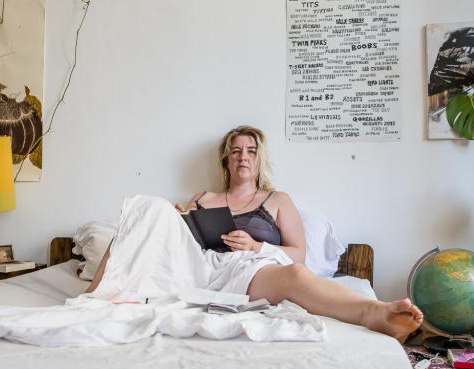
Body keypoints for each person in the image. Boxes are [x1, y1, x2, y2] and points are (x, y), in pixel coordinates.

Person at [87, 125, 423, 340]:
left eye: (250, 150)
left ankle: (374, 312)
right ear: (226, 161)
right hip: (198, 268)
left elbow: (299, 254)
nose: (242, 156)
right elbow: (164, 231)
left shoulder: (277, 200)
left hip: (249, 269)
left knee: (293, 274)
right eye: (235, 151)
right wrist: (179, 217)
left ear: (259, 159)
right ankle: (93, 295)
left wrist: (257, 245)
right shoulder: (204, 198)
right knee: (149, 208)